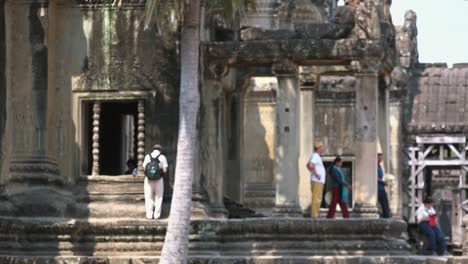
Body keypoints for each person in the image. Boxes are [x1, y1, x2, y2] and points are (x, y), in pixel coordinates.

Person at [142, 144, 168, 220]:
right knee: (159, 197)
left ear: (153, 149)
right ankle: (157, 215)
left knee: (148, 197)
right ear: (160, 150)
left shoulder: (147, 156)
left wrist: (151, 173)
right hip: (159, 180)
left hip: (148, 180)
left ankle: (149, 215)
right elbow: (165, 170)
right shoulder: (162, 157)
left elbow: (144, 169)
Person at [307, 142, 326, 218]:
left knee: (317, 198)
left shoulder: (315, 156)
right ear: (318, 148)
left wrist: (313, 173)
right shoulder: (315, 156)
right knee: (317, 198)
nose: (323, 149)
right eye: (322, 148)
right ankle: (314, 216)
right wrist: (316, 174)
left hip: (317, 180)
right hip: (317, 180)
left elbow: (308, 165)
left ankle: (315, 215)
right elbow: (311, 165)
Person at [377, 153, 391, 218]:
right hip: (377, 189)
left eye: (381, 158)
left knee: (385, 206)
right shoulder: (374, 166)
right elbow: (375, 177)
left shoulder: (379, 166)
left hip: (382, 189)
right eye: (379, 158)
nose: (380, 160)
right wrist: (383, 182)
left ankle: (386, 218)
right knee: (383, 205)